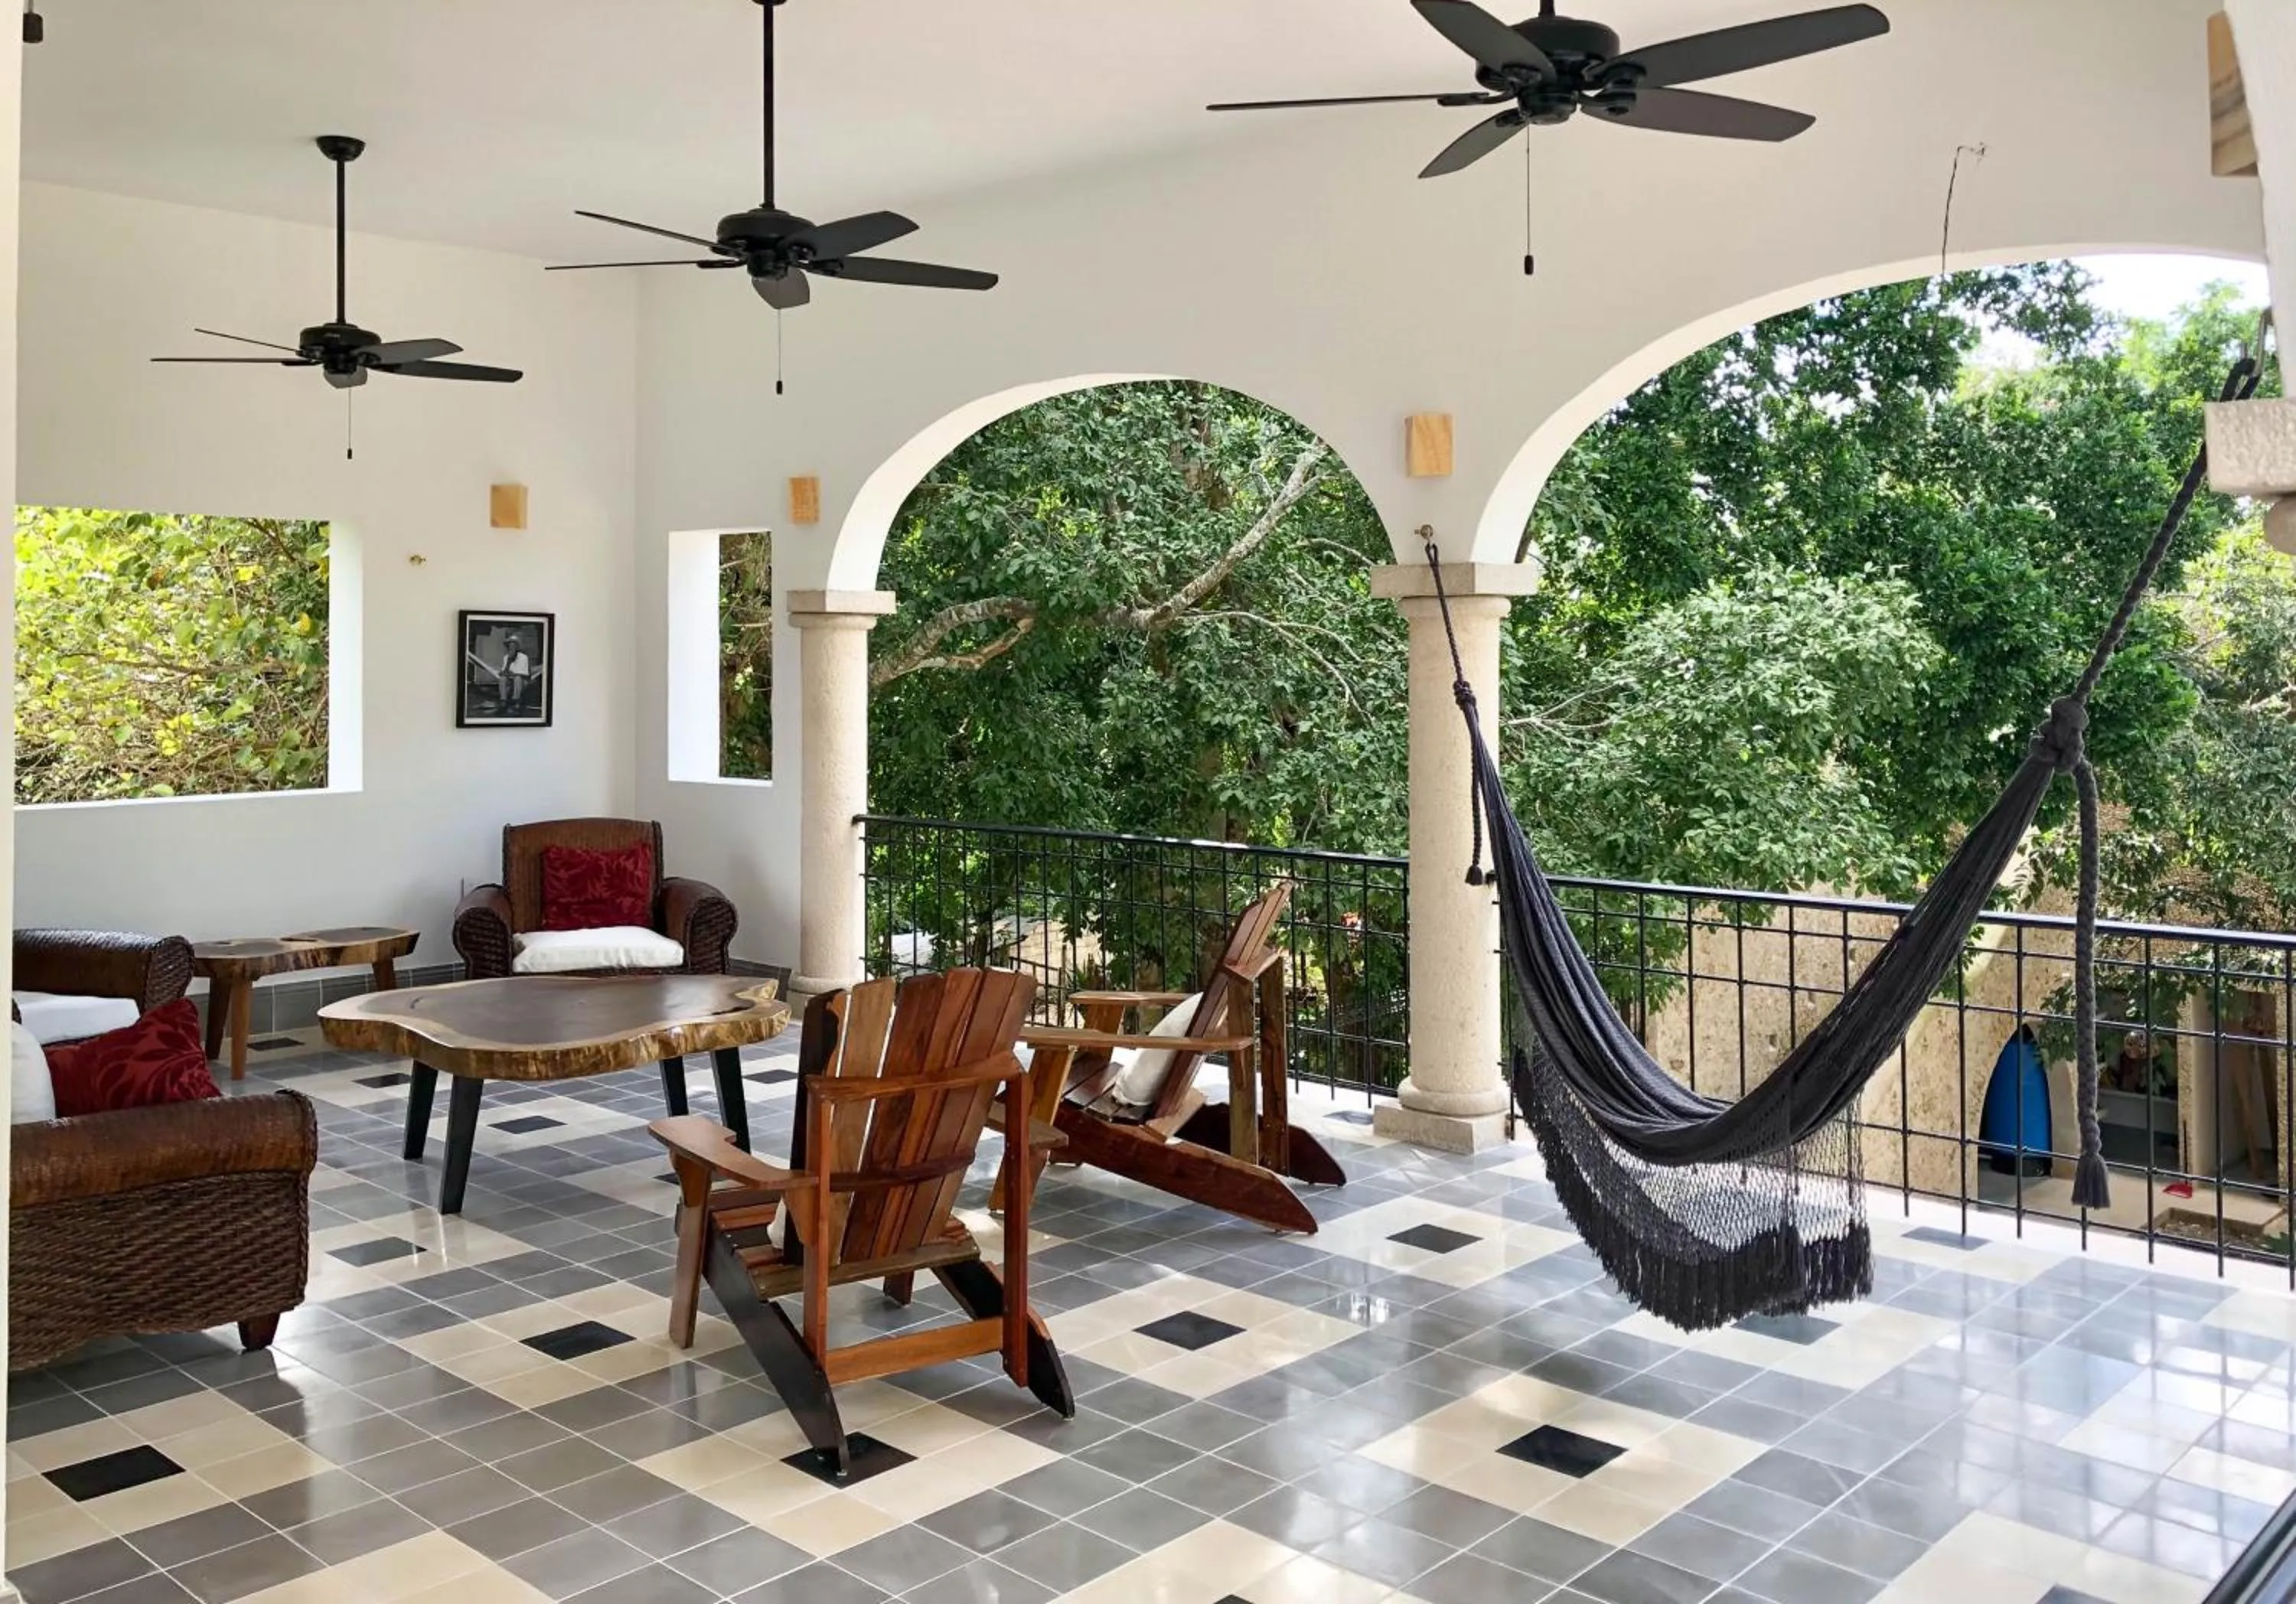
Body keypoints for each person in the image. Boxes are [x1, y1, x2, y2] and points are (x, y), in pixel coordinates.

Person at [501, 631, 533, 714]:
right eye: (509, 646)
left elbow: (523, 673)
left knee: (518, 678)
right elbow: (504, 671)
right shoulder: (506, 658)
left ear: (517, 648)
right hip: (511, 678)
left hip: (523, 679)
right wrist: (504, 672)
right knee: (503, 678)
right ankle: (503, 701)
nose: (511, 648)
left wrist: (510, 673)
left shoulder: (523, 657)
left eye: (513, 646)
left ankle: (516, 702)